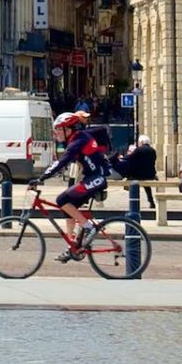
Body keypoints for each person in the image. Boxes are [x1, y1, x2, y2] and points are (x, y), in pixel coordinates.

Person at [31, 111, 112, 262]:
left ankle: (89, 227)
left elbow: (62, 162)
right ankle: (73, 246)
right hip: (91, 177)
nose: (56, 133)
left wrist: (41, 178)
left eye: (58, 130)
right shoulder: (76, 138)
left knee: (62, 199)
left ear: (68, 130)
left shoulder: (78, 141)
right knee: (68, 207)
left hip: (97, 178)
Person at [113, 133, 157, 210]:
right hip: (151, 175)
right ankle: (151, 201)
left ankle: (134, 200)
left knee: (133, 179)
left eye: (139, 142)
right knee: (147, 186)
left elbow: (129, 157)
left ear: (142, 142)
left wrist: (121, 158)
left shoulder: (139, 150)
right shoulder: (153, 150)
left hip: (139, 175)